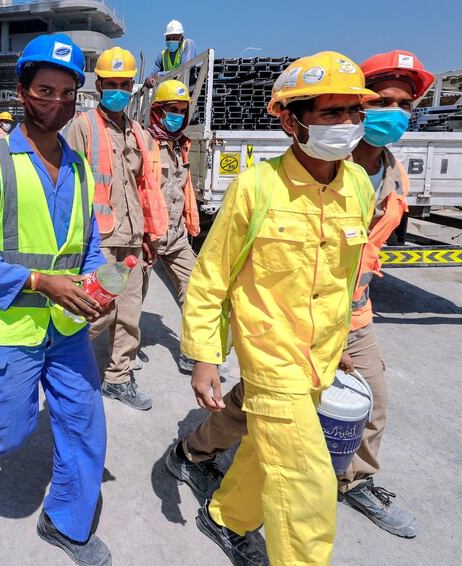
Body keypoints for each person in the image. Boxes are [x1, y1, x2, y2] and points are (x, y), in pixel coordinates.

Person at [166, 50, 434, 542]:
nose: (349, 123)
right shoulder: (256, 187)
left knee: (265, 455)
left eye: (355, 111)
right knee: (308, 490)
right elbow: (211, 278)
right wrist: (205, 356)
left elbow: (341, 274)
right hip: (270, 359)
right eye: (332, 113)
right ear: (292, 121)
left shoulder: (355, 184)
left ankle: (226, 516)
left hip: (323, 357)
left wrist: (341, 347)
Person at [0, 34, 113, 566]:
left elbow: (88, 245)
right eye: (44, 90)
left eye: (67, 93)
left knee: (85, 422)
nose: (56, 103)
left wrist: (98, 282)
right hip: (10, 328)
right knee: (11, 428)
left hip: (66, 331)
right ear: (21, 90)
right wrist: (41, 282)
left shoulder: (80, 169)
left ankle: (64, 522)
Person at [66, 46, 168, 411]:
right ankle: (59, 357)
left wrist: (149, 235)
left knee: (129, 315)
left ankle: (118, 377)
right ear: (99, 84)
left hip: (133, 238)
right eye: (112, 84)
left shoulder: (138, 132)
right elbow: (70, 181)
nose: (119, 91)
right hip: (100, 239)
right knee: (99, 310)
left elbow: (145, 187)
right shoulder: (83, 125)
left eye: (125, 84)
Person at [143, 79, 200, 373]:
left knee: (195, 291)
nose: (176, 115)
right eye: (171, 110)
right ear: (156, 111)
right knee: (125, 303)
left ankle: (191, 351)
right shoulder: (144, 141)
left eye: (181, 110)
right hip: (145, 237)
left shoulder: (181, 145)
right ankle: (119, 365)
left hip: (176, 236)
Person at [145, 20, 197, 87]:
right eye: (168, 38)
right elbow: (152, 76)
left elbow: (185, 68)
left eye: (174, 38)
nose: (171, 40)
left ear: (182, 38)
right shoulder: (162, 56)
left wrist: (160, 75)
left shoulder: (188, 44)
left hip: (187, 90)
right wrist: (148, 79)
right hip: (170, 92)